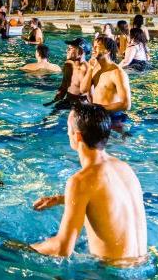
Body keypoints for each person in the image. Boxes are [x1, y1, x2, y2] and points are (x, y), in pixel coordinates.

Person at [30, 104, 148, 265]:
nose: (67, 133)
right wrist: (62, 199)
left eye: (68, 128)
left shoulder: (81, 181)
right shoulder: (124, 168)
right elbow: (110, 200)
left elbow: (62, 249)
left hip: (110, 278)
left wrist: (22, 248)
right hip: (142, 268)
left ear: (77, 136)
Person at [80, 36, 132, 129]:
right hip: (97, 115)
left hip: (113, 118)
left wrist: (98, 108)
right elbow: (83, 90)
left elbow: (126, 104)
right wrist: (90, 69)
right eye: (93, 46)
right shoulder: (94, 67)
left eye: (98, 46)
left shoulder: (117, 73)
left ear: (108, 51)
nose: (93, 48)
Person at [45, 37, 90, 110]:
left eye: (70, 48)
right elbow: (63, 87)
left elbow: (91, 95)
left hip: (81, 106)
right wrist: (53, 102)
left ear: (81, 52)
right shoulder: (68, 65)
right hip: (67, 102)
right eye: (67, 48)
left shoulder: (87, 70)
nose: (67, 50)